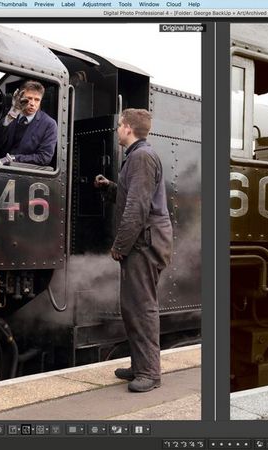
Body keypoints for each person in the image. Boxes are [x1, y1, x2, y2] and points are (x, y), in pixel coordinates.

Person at [94, 109, 173, 393]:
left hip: (144, 243)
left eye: (119, 125)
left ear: (128, 128)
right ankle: (140, 365)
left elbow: (138, 207)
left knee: (141, 307)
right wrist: (110, 188)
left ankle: (149, 373)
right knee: (133, 306)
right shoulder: (138, 156)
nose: (117, 130)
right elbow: (134, 196)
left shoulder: (141, 157)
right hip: (144, 240)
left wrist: (120, 245)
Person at [0, 80, 57, 167]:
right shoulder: (10, 115)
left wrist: (13, 159)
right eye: (29, 98)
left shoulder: (49, 124)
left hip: (24, 172)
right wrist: (12, 114)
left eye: (37, 100)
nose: (32, 103)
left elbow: (44, 157)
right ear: (20, 98)